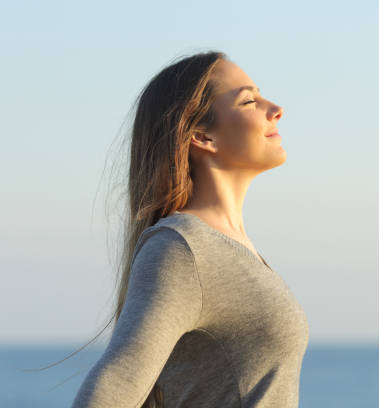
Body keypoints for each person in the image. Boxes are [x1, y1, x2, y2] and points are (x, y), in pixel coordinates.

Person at [70, 51, 310, 407]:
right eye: (249, 101)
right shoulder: (182, 248)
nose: (275, 108)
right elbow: (111, 390)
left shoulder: (228, 247)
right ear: (201, 136)